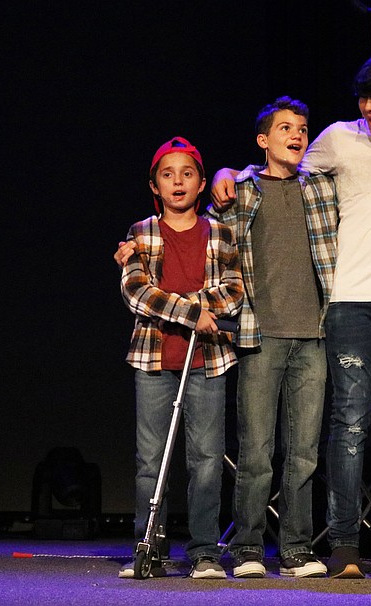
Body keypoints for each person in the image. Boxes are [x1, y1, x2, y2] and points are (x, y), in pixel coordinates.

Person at [211, 50, 371, 579]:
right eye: (363, 96)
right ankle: (340, 542)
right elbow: (275, 169)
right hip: (347, 302)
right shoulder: (340, 138)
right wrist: (228, 169)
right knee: (347, 422)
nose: (368, 106)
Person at [212, 98, 337, 578]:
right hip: (258, 333)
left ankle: (296, 549)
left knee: (304, 451)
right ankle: (246, 548)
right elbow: (208, 244)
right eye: (286, 128)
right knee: (256, 449)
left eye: (304, 129)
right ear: (264, 140)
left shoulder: (322, 188)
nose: (297, 135)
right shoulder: (240, 190)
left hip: (314, 334)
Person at [119, 136, 244, 580]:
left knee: (206, 458)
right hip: (154, 359)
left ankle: (205, 550)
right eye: (168, 175)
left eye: (187, 174)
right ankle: (148, 545)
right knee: (151, 459)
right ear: (154, 185)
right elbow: (136, 291)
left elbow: (232, 290)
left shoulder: (221, 233)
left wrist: (190, 307)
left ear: (202, 182)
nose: (178, 182)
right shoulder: (140, 234)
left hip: (207, 361)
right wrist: (194, 312)